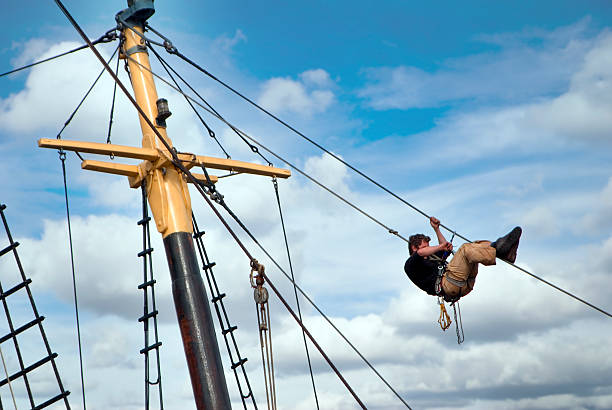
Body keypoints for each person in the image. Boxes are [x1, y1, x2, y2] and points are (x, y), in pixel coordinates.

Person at [404, 217, 521, 300]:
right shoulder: (411, 264)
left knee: (474, 246)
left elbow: (445, 248)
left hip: (464, 283)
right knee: (465, 249)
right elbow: (421, 252)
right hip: (448, 285)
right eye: (425, 247)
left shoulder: (430, 258)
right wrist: (440, 246)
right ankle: (499, 251)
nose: (428, 249)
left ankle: (501, 250)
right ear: (414, 248)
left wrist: (436, 229)